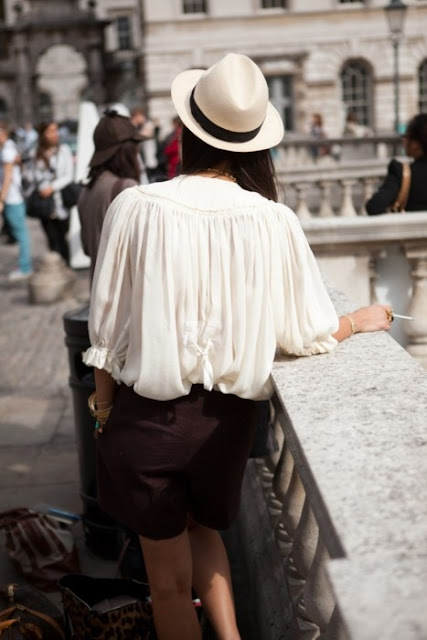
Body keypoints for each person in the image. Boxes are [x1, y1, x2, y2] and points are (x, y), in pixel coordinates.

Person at [83, 53, 392, 640]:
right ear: (254, 144)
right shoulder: (273, 221)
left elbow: (106, 333)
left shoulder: (137, 207)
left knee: (168, 585)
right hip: (226, 425)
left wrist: (103, 411)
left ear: (187, 130)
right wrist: (355, 322)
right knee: (205, 532)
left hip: (148, 418)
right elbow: (305, 332)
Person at [78, 110, 144, 283]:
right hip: (124, 291)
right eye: (135, 146)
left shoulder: (86, 190)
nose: (137, 152)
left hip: (98, 289)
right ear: (126, 150)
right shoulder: (126, 188)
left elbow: (87, 249)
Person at [24, 121, 74, 264]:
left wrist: (52, 187)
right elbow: (31, 177)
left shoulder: (64, 150)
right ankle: (55, 266)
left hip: (61, 201)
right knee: (51, 238)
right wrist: (42, 186)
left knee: (62, 237)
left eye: (55, 130)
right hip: (44, 202)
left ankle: (66, 266)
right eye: (50, 131)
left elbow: (68, 175)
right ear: (42, 134)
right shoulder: (35, 153)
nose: (54, 134)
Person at [366, 113, 427, 215]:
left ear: (416, 144)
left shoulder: (401, 172)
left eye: (406, 136)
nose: (403, 140)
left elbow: (374, 207)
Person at [0, 121, 33, 280]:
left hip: (12, 197)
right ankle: (24, 264)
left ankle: (25, 266)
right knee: (20, 232)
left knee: (20, 233)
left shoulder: (7, 150)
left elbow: (8, 177)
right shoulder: (9, 147)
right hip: (14, 196)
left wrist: (1, 199)